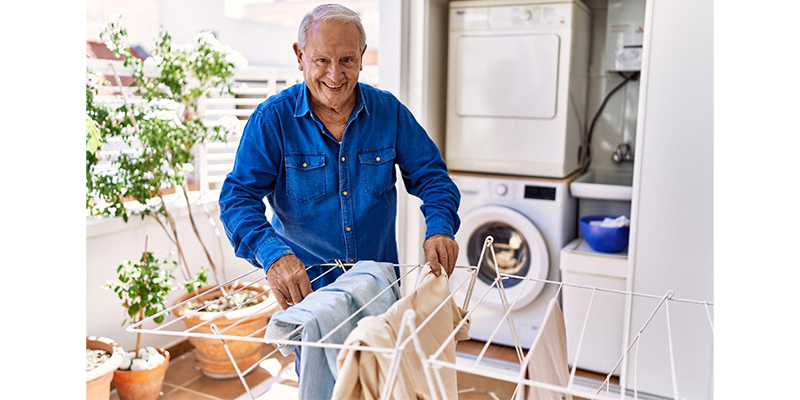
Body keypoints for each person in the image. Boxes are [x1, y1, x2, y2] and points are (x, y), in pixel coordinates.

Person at [219, 4, 460, 313]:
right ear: (300, 56)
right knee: (315, 364)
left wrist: (440, 227)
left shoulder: (389, 113)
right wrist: (274, 255)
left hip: (379, 291)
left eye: (347, 59)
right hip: (308, 296)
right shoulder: (272, 120)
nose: (335, 74)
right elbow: (237, 198)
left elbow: (432, 176)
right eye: (322, 60)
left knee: (381, 361)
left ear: (361, 56)